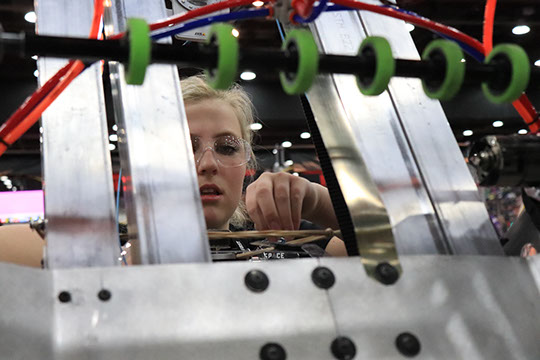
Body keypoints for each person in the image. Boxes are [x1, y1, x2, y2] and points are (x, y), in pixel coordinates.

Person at [181, 75, 347, 256]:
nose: (208, 164)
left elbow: (378, 245)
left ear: (247, 159)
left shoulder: (281, 236)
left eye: (227, 148)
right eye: (185, 147)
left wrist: (317, 202)